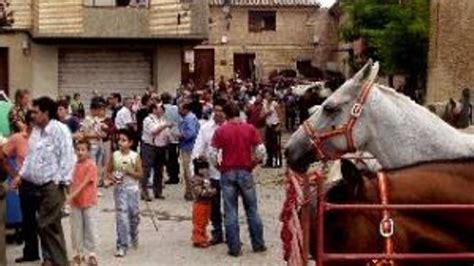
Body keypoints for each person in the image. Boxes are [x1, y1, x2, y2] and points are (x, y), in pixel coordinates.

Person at [13, 97, 76, 265]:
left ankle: (58, 261)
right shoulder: (36, 131)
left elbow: (68, 157)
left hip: (52, 186)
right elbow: (30, 157)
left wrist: (60, 181)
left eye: (36, 112)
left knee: (44, 223)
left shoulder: (60, 130)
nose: (33, 115)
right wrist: (21, 175)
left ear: (46, 113)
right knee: (51, 226)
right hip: (36, 185)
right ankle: (56, 260)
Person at [211, 101, 267, 257]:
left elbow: (211, 153)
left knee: (230, 211)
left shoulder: (221, 131)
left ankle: (234, 248)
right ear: (239, 113)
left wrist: (218, 167)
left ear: (226, 115)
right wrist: (254, 163)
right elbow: (261, 150)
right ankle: (258, 244)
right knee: (252, 209)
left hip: (227, 172)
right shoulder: (250, 128)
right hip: (245, 170)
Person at [3, 111, 39, 264]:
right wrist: (13, 172)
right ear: (29, 122)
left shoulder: (45, 137)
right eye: (34, 121)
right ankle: (31, 253)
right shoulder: (18, 138)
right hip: (26, 183)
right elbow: (3, 154)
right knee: (28, 220)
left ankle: (49, 255)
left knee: (45, 222)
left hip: (43, 182)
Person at [190, 100, 227, 245]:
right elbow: (197, 150)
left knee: (230, 205)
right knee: (214, 206)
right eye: (215, 110)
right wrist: (195, 172)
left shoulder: (232, 127)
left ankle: (231, 234)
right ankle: (217, 232)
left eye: (221, 110)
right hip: (212, 174)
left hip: (229, 172)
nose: (217, 113)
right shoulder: (205, 128)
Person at [105, 129, 143, 258]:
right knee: (121, 217)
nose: (120, 142)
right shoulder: (115, 155)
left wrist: (130, 171)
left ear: (130, 142)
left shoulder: (135, 156)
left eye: (124, 140)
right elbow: (108, 171)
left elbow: (140, 175)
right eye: (119, 140)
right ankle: (121, 245)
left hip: (132, 190)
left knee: (133, 216)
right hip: (120, 190)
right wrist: (112, 178)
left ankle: (134, 234)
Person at [67, 140, 98, 266]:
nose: (80, 152)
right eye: (78, 149)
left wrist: (70, 196)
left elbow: (84, 183)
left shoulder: (91, 165)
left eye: (83, 150)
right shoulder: (73, 165)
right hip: (75, 203)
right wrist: (69, 195)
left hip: (88, 201)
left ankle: (92, 254)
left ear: (89, 152)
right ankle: (78, 253)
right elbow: (69, 182)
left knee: (90, 227)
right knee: (76, 229)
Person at [140, 103, 172, 201]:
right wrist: (165, 126)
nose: (162, 110)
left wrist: (169, 138)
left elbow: (167, 133)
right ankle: (144, 191)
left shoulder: (162, 120)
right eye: (159, 109)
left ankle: (158, 191)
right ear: (153, 110)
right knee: (147, 170)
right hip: (150, 146)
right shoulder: (148, 120)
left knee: (159, 170)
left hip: (161, 147)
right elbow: (153, 131)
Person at [190, 159, 216, 248]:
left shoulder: (206, 179)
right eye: (203, 169)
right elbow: (198, 191)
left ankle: (203, 236)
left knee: (205, 221)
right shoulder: (195, 179)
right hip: (199, 203)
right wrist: (210, 192)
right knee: (199, 222)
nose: (205, 170)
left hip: (207, 203)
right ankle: (198, 238)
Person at [178, 102, 200, 201]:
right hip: (189, 146)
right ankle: (188, 192)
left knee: (188, 171)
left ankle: (191, 192)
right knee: (188, 170)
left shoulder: (189, 119)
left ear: (186, 109)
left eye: (180, 109)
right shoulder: (191, 117)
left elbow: (191, 133)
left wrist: (181, 135)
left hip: (188, 147)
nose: (179, 111)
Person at [161, 92, 181, 185]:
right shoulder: (175, 108)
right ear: (170, 99)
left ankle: (169, 174)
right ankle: (175, 176)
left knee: (166, 157)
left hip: (164, 134)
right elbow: (180, 119)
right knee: (174, 157)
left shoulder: (160, 109)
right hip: (175, 134)